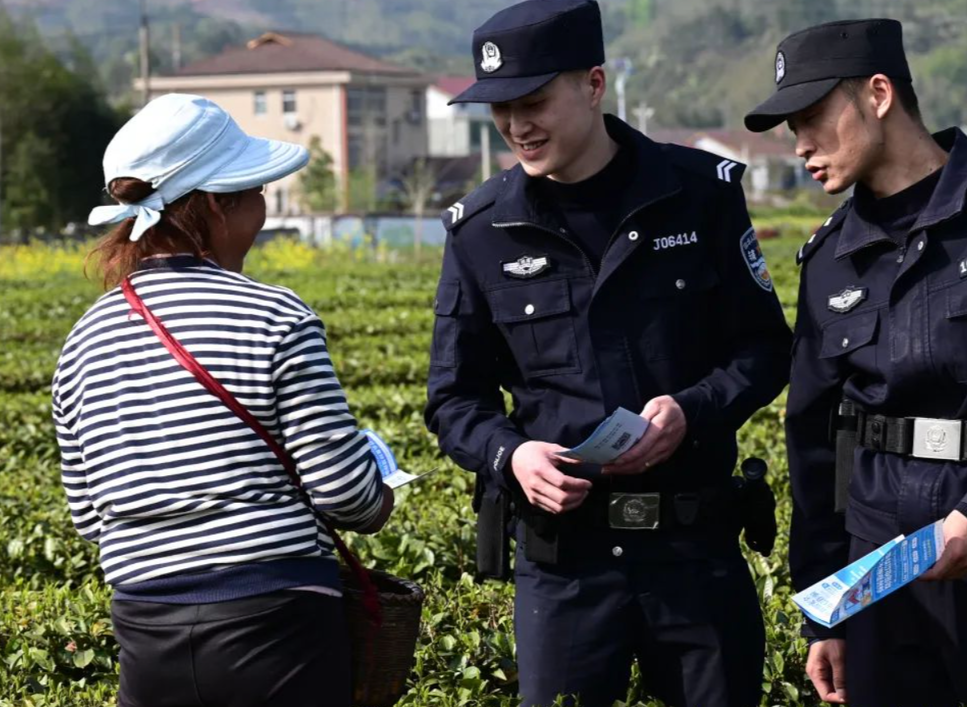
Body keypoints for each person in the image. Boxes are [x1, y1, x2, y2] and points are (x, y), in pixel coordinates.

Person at [423, 1, 792, 705]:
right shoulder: (480, 231)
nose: (516, 126)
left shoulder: (698, 196)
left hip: (693, 552)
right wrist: (511, 457)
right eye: (500, 109)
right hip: (565, 567)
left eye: (533, 102)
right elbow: (453, 399)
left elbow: (765, 348)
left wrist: (693, 410)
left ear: (594, 84)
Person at [51, 93, 394, 707]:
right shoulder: (274, 315)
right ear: (215, 203)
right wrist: (381, 488)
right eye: (256, 190)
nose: (262, 207)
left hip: (146, 630)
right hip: (278, 626)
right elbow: (346, 495)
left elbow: (89, 518)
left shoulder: (84, 339)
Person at [746, 18, 967, 707]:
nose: (800, 144)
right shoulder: (829, 258)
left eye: (813, 117)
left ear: (878, 94)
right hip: (880, 562)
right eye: (792, 129)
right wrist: (824, 612)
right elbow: (814, 446)